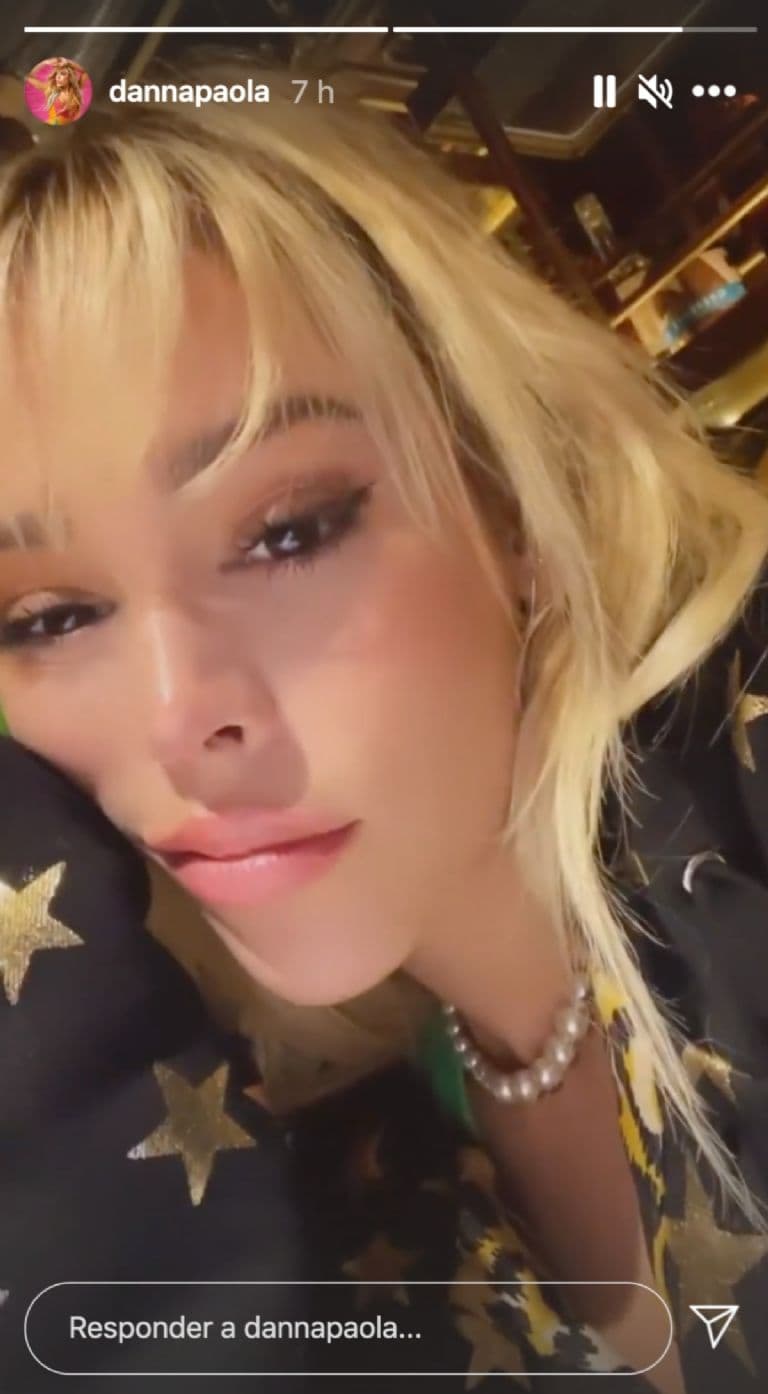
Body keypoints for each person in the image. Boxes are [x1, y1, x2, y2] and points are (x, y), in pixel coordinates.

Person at [0, 59, 767, 1393]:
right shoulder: (340, 1186)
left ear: (510, 487)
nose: (179, 718)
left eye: (287, 531)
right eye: (51, 615)